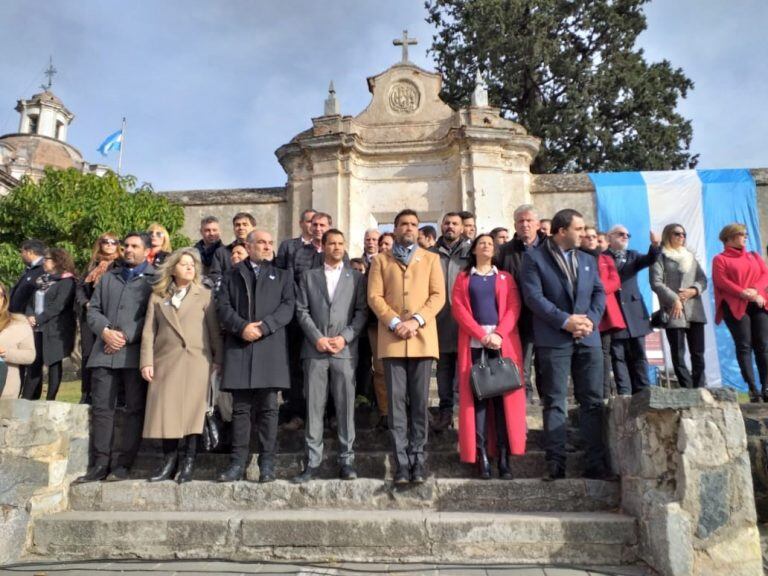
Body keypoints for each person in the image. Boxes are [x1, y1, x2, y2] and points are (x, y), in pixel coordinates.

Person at [520, 208, 610, 480]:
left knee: (592, 401)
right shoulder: (533, 259)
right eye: (579, 229)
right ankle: (556, 463)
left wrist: (590, 321)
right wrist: (565, 321)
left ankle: (596, 463)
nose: (584, 234)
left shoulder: (587, 259)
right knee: (555, 401)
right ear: (562, 231)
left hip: (587, 337)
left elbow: (598, 292)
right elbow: (534, 297)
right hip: (553, 338)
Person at [368, 209, 445, 484]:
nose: (409, 228)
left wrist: (415, 321)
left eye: (414, 224)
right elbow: (374, 296)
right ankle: (401, 463)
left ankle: (419, 459)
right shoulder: (380, 260)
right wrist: (394, 322)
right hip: (392, 340)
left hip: (422, 339)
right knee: (396, 405)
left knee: (420, 404)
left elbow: (438, 296)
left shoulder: (431, 259)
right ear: (396, 228)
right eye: (404, 224)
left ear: (418, 229)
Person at [74, 232, 156, 483]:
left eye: (135, 246)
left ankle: (123, 464)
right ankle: (100, 463)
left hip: (133, 355)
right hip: (103, 353)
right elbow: (93, 309)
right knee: (102, 409)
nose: (128, 250)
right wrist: (106, 331)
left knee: (133, 409)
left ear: (146, 250)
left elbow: (153, 315)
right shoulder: (108, 277)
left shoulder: (156, 279)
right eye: (126, 246)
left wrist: (125, 336)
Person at [216, 230, 294, 482]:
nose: (267, 247)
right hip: (240, 348)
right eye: (261, 242)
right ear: (248, 246)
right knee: (240, 410)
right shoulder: (231, 275)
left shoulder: (282, 276)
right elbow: (222, 307)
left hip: (270, 349)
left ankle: (267, 463)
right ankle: (237, 464)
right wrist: (242, 327)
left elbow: (288, 307)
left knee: (269, 410)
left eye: (270, 243)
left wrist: (264, 326)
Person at [140, 248, 223, 483]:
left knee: (192, 413)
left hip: (197, 361)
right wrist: (146, 361)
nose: (189, 267)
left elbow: (214, 331)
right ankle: (168, 460)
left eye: (192, 264)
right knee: (167, 412)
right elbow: (149, 331)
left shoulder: (204, 295)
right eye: (184, 264)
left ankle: (188, 461)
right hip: (165, 361)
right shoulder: (158, 296)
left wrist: (219, 359)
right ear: (172, 268)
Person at [293, 229, 367, 482]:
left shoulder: (356, 277)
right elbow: (301, 310)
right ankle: (312, 462)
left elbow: (361, 313)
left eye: (340, 243)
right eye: (332, 243)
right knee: (314, 406)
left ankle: (347, 460)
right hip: (315, 350)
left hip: (344, 351)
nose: (336, 247)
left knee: (346, 406)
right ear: (323, 246)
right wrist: (318, 338)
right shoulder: (308, 276)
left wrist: (344, 337)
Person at [451, 234, 526, 479]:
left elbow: (514, 307)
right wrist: (481, 334)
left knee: (502, 402)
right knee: (479, 401)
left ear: (495, 251)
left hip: (501, 344)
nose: (486, 246)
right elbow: (459, 309)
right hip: (474, 344)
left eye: (490, 244)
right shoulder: (463, 279)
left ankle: (504, 456)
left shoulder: (505, 278)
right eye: (481, 243)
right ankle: (481, 455)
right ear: (473, 249)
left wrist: (500, 334)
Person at [712, 223, 768, 402]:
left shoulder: (754, 256)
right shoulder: (720, 259)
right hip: (735, 304)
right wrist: (742, 292)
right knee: (744, 345)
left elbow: (765, 275)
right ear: (729, 237)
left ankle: (766, 387)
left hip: (757, 302)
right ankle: (753, 389)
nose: (745, 237)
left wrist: (754, 290)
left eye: (745, 234)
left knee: (763, 345)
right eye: (741, 234)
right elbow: (721, 281)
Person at [498, 204, 547, 403]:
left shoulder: (550, 248)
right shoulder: (504, 252)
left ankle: (547, 402)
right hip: (518, 317)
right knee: (521, 363)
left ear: (537, 224)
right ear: (515, 225)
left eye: (529, 221)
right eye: (520, 221)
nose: (525, 225)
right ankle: (524, 402)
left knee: (546, 364)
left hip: (548, 316)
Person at [605, 225, 662, 395]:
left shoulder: (633, 255)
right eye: (620, 234)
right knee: (619, 356)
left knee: (638, 354)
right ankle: (625, 393)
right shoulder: (602, 258)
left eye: (627, 234)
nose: (625, 237)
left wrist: (655, 245)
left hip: (634, 313)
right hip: (614, 314)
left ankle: (643, 391)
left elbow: (650, 259)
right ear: (610, 238)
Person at [650, 223, 707, 390]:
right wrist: (675, 298)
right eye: (677, 234)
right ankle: (687, 388)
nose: (681, 237)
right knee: (678, 353)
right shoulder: (661, 257)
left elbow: (703, 280)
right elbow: (656, 283)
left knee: (698, 353)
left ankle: (699, 388)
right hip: (674, 310)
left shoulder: (691, 257)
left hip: (694, 310)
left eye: (684, 234)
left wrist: (693, 290)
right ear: (668, 235)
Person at [430, 212, 471, 431]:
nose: (450, 227)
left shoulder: (472, 252)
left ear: (463, 227)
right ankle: (445, 412)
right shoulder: (430, 254)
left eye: (455, 224)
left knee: (467, 369)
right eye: (446, 223)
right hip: (439, 322)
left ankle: (467, 414)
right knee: (444, 369)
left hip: (467, 322)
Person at [21, 248, 77, 401]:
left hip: (55, 329)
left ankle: (50, 400)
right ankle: (27, 399)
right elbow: (32, 301)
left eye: (47, 259)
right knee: (34, 362)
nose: (44, 261)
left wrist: (38, 319)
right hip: (38, 329)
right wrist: (30, 315)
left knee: (53, 361)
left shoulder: (67, 281)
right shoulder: (43, 280)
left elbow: (58, 306)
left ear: (58, 262)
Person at [76, 233, 122, 404]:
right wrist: (85, 303)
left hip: (109, 314)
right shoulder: (92, 265)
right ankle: (86, 392)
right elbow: (80, 287)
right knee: (88, 353)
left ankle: (112, 394)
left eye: (113, 242)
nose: (109, 245)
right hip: (90, 314)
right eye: (105, 242)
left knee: (107, 351)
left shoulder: (120, 264)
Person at [581, 226, 625, 398]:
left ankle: (605, 393)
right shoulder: (577, 257)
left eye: (594, 237)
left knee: (605, 354)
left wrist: (597, 290)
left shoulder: (605, 259)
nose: (592, 240)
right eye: (588, 237)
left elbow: (615, 281)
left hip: (605, 313)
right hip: (584, 312)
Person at [0, 282, 35, 398]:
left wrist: (5, 352)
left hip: (5, 390)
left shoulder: (19, 323)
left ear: (4, 299)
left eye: (0, 295)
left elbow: (30, 355)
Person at [209, 212, 257, 281]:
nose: (241, 227)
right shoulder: (221, 253)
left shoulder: (260, 251)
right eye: (237, 225)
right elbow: (214, 276)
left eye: (245, 224)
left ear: (253, 228)